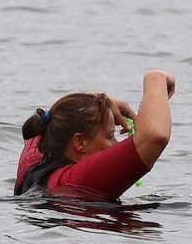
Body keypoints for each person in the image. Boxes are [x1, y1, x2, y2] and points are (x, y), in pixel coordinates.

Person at [15, 70, 175, 202]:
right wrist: (155, 78)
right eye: (109, 136)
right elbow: (154, 136)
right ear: (80, 142)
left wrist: (96, 104)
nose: (116, 144)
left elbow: (53, 119)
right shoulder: (77, 181)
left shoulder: (31, 163)